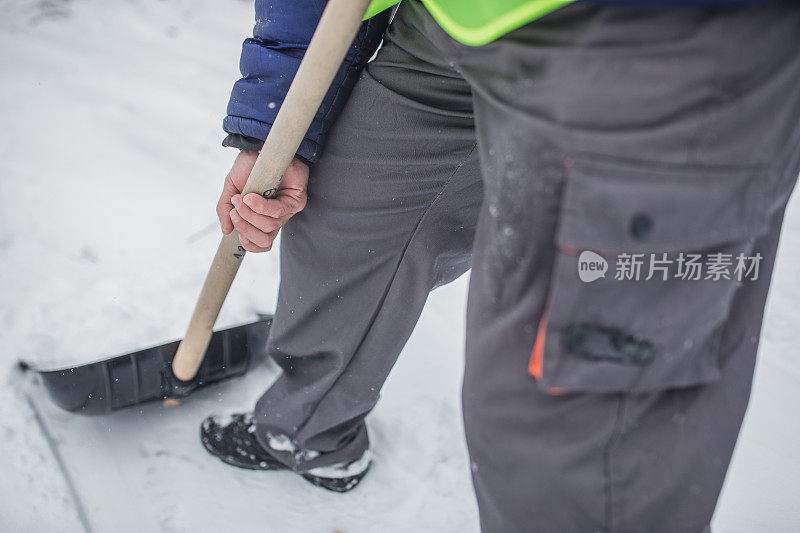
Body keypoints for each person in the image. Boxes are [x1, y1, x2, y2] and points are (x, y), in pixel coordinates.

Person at [199, 0, 800, 530]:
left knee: (578, 400)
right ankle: (306, 431)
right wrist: (280, 120)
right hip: (450, 21)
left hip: (659, 45)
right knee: (345, 230)